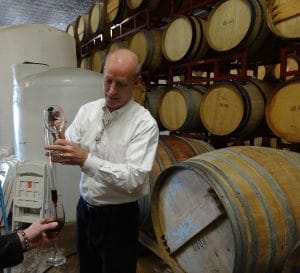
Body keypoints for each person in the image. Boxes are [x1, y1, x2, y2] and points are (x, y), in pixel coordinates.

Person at [45, 48, 159, 273]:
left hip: (118, 218)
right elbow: (67, 147)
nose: (112, 90)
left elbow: (133, 179)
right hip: (85, 209)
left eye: (121, 84)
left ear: (136, 82)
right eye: (108, 80)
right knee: (87, 268)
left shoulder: (144, 124)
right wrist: (58, 133)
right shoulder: (89, 111)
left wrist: (86, 159)